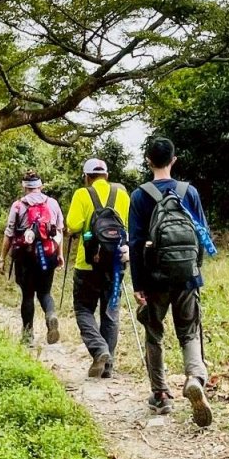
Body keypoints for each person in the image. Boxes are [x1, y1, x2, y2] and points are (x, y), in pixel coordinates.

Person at [128, 137, 213, 427]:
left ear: (148, 161)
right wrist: (194, 270)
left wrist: (138, 283)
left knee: (155, 332)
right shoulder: (189, 192)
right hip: (187, 276)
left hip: (154, 278)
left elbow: (137, 242)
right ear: (174, 160)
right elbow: (202, 234)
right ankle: (194, 377)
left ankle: (161, 395)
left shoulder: (140, 196)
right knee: (189, 331)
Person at [65, 158, 131, 379]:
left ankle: (99, 350)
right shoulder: (122, 195)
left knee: (83, 309)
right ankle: (108, 367)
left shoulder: (82, 194)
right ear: (107, 175)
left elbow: (73, 226)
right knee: (110, 313)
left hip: (87, 263)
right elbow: (129, 228)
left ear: (86, 177)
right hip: (115, 263)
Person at [0, 171, 64, 346]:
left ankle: (27, 337)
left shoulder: (18, 205)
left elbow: (9, 234)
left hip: (25, 256)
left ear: (25, 187)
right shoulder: (53, 203)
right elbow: (59, 231)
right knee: (45, 292)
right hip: (48, 255)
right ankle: (51, 315)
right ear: (40, 186)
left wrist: (2, 258)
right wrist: (60, 254)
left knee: (27, 295)